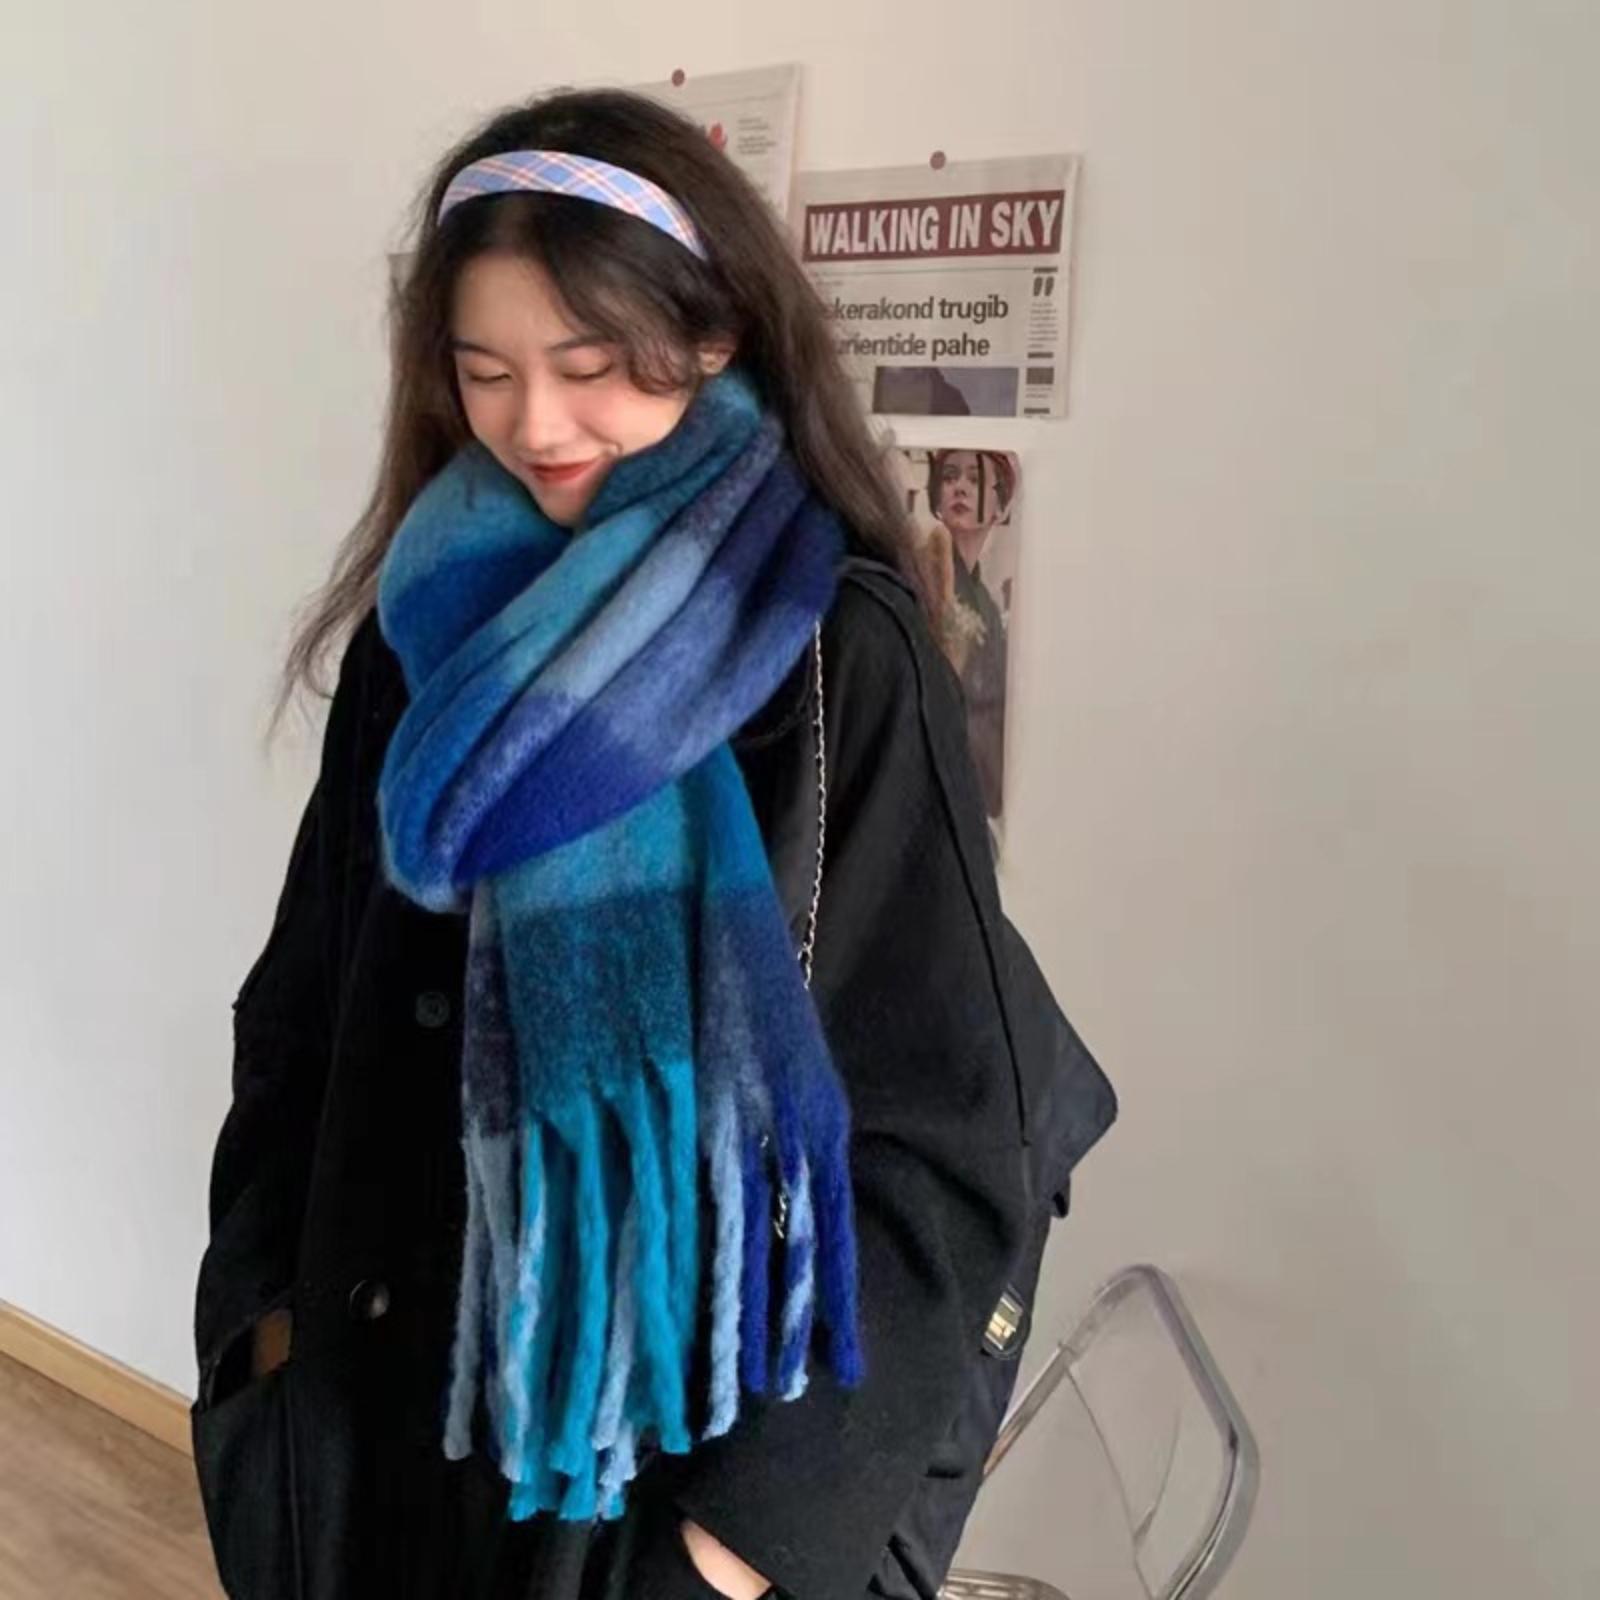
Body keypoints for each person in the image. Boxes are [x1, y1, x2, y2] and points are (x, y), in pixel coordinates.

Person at [192, 89, 1032, 1600]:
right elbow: (302, 1004)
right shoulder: (421, 625)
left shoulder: (838, 648)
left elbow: (951, 1142)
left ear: (714, 336)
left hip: (654, 1481)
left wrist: (732, 1554)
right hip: (381, 1435)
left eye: (588, 367)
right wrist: (256, 1339)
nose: (536, 423)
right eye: (485, 372)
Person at [915, 449, 1015, 820]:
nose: (960, 487)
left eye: (975, 479)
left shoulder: (986, 603)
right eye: (950, 477)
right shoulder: (921, 576)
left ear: (999, 507)